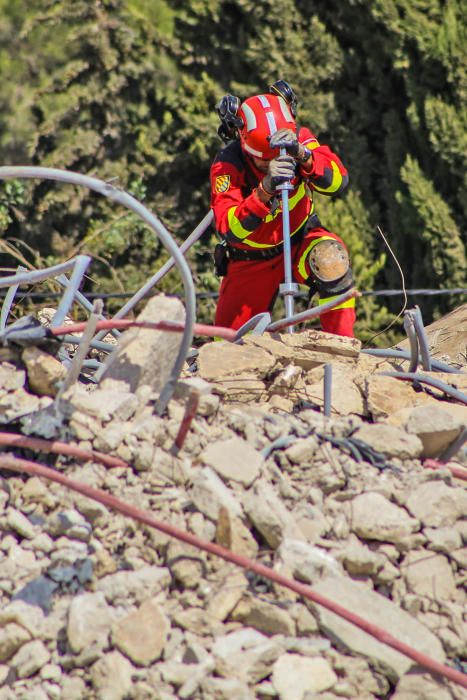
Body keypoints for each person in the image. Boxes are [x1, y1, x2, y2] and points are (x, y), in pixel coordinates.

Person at [210, 80, 356, 337]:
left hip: (300, 241)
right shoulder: (227, 166)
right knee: (228, 344)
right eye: (264, 161)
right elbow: (228, 229)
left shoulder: (300, 140)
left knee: (331, 259)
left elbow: (338, 182)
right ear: (243, 143)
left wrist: (304, 156)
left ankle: (342, 348)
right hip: (250, 260)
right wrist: (264, 190)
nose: (274, 162)